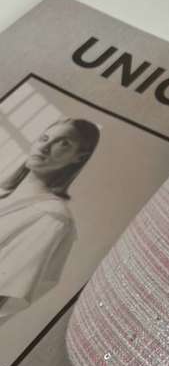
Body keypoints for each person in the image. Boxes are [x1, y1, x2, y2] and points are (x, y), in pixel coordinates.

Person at [0, 117, 100, 323]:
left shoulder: (52, 217)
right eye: (44, 138)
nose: (44, 147)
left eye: (63, 143)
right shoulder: (3, 193)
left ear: (79, 157)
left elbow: (6, 290)